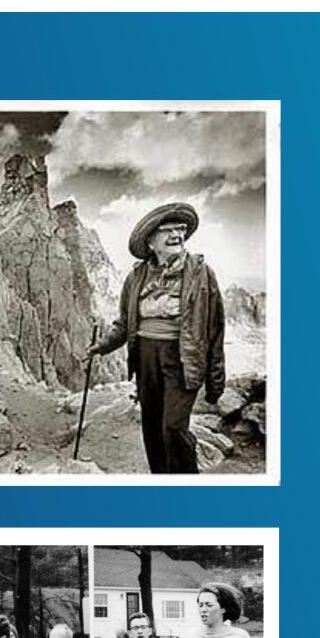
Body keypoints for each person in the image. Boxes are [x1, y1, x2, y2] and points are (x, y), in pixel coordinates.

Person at [86, 202, 225, 474]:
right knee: (151, 427)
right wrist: (101, 346)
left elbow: (215, 329)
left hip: (183, 358)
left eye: (181, 229)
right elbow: (126, 323)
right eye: (168, 230)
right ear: (151, 241)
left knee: (173, 427)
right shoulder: (136, 276)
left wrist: (215, 380)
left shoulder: (202, 274)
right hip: (146, 357)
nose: (177, 235)